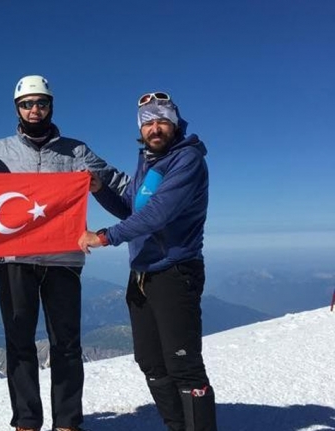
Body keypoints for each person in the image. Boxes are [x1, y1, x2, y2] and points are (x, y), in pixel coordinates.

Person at [0, 75, 129, 431]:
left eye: (41, 103)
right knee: (19, 345)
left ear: (51, 106)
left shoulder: (77, 152)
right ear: (17, 109)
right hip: (15, 260)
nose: (34, 110)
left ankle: (67, 423)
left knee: (66, 345)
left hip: (64, 260)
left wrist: (155, 206)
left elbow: (120, 187)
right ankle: (27, 423)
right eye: (27, 103)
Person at [78, 92, 217, 430]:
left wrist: (104, 237)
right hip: (142, 275)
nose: (155, 128)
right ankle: (177, 426)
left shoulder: (187, 161)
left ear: (175, 123)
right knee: (151, 362)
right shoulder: (150, 162)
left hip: (175, 273)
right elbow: (133, 207)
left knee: (183, 365)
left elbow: (158, 214)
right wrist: (100, 190)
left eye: (162, 120)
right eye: (148, 122)